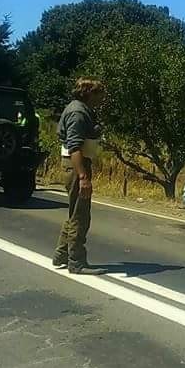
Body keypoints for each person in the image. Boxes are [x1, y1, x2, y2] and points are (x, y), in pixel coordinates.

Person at [52, 78, 106, 275]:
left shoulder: (80, 109)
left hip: (77, 164)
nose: (102, 98)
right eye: (100, 94)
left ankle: (61, 254)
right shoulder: (78, 112)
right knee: (80, 216)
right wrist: (83, 176)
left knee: (75, 212)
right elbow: (74, 146)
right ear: (89, 93)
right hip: (77, 165)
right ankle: (76, 262)